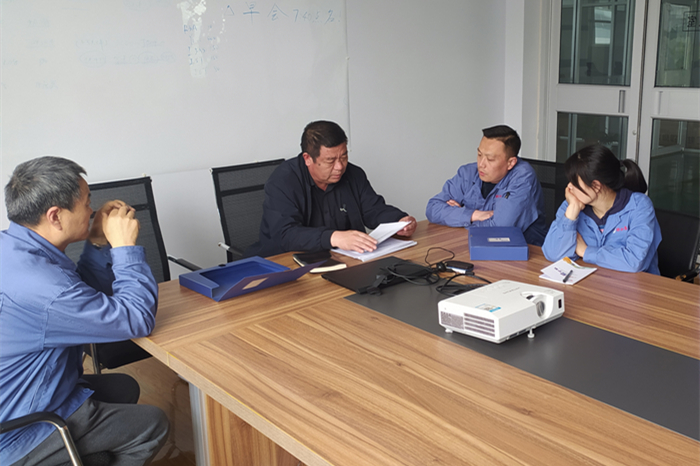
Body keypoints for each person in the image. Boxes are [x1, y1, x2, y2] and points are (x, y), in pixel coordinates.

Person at [0, 156, 169, 465]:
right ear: (55, 216)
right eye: (86, 202)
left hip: (25, 395)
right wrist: (125, 249)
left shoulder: (14, 250)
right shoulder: (43, 286)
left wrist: (97, 242)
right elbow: (137, 319)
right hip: (20, 430)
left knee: (123, 387)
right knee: (153, 424)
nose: (91, 210)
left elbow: (79, 298)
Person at [247, 120, 417, 257]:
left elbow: (373, 209)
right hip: (288, 264)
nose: (339, 167)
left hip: (343, 259)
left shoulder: (353, 174)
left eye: (343, 156)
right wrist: (334, 237)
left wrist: (398, 220)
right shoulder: (283, 181)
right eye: (330, 161)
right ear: (307, 158)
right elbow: (285, 234)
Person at [542, 144, 661, 274]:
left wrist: (585, 251)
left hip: (634, 284)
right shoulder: (573, 204)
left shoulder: (639, 206)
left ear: (596, 186)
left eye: (574, 183)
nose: (569, 187)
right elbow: (553, 254)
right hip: (590, 282)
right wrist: (570, 216)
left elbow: (634, 261)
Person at [425, 125, 547, 245]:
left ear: (510, 163)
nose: (481, 164)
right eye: (479, 155)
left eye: (490, 159)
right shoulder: (468, 172)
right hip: (474, 244)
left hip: (523, 251)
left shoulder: (523, 177)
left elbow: (499, 229)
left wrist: (456, 217)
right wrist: (474, 215)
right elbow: (432, 209)